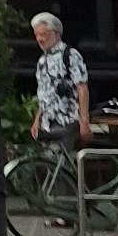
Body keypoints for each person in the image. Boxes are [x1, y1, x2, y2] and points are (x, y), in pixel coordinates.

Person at [29, 12, 91, 143]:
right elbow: (44, 93)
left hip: (66, 119)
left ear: (56, 33)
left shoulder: (70, 55)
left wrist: (84, 120)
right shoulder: (42, 61)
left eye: (43, 34)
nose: (40, 39)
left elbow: (82, 88)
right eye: (37, 35)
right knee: (48, 161)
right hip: (47, 122)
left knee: (58, 158)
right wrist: (37, 120)